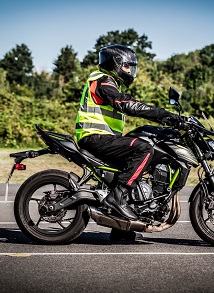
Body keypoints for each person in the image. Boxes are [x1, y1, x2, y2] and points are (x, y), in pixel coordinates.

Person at [75, 44, 181, 233]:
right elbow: (126, 104)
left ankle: (122, 229)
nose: (130, 71)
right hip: (95, 137)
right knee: (143, 149)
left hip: (101, 138)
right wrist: (164, 115)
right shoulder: (102, 80)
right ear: (116, 63)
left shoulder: (110, 82)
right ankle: (117, 196)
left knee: (136, 158)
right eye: (127, 66)